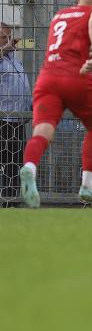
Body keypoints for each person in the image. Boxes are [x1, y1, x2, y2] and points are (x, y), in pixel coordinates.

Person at [18, 0, 92, 209]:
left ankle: (30, 167)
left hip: (47, 77)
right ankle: (87, 185)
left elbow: (69, 42)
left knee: (42, 130)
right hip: (76, 77)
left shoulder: (59, 15)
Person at [1, 21, 29, 205]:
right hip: (2, 119)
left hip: (18, 120)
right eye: (3, 37)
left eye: (9, 36)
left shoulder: (15, 61)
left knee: (14, 166)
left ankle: (11, 203)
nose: (8, 41)